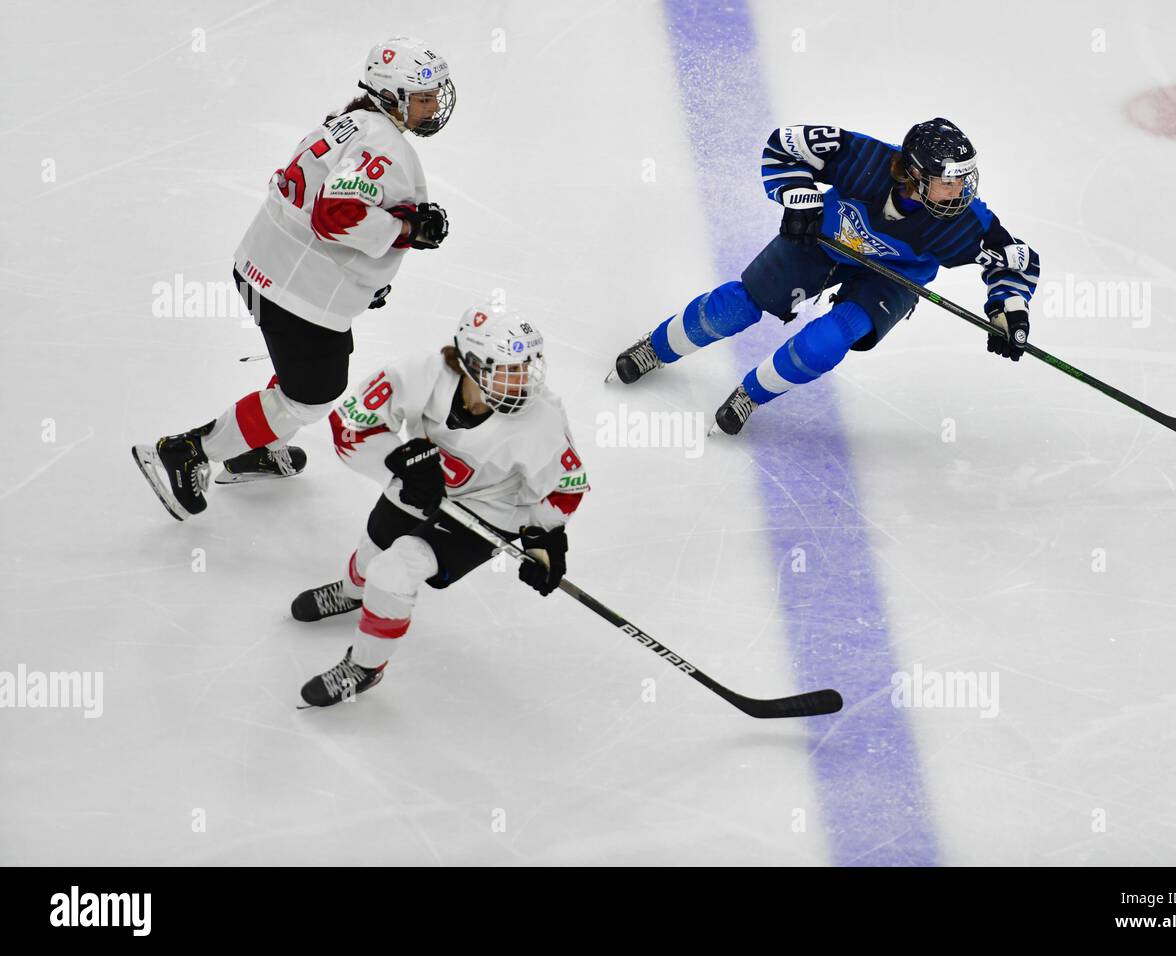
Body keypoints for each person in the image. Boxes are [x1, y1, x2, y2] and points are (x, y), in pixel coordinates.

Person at [132, 37, 456, 519]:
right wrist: (407, 229)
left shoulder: (350, 120)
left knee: (309, 371)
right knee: (313, 394)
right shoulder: (382, 142)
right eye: (423, 97)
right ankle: (188, 451)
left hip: (266, 268)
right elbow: (335, 214)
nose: (433, 106)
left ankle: (255, 448)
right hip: (294, 292)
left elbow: (314, 202)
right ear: (392, 97)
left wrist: (368, 274)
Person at [609, 118, 1041, 435]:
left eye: (965, 181)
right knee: (735, 308)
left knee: (829, 340)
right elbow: (784, 146)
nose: (961, 193)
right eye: (950, 183)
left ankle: (750, 396)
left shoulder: (965, 224)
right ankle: (655, 348)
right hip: (824, 240)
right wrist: (799, 199)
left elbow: (1018, 263)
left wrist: (1010, 311)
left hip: (891, 277)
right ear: (914, 173)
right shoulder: (863, 159)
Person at [293, 305, 590, 707]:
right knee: (373, 549)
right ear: (470, 364)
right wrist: (399, 459)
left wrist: (542, 536)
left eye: (527, 367)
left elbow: (568, 484)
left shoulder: (542, 420)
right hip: (424, 482)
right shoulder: (422, 374)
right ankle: (352, 591)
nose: (523, 383)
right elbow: (349, 425)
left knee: (392, 572)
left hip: (488, 510)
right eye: (508, 369)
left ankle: (365, 667)